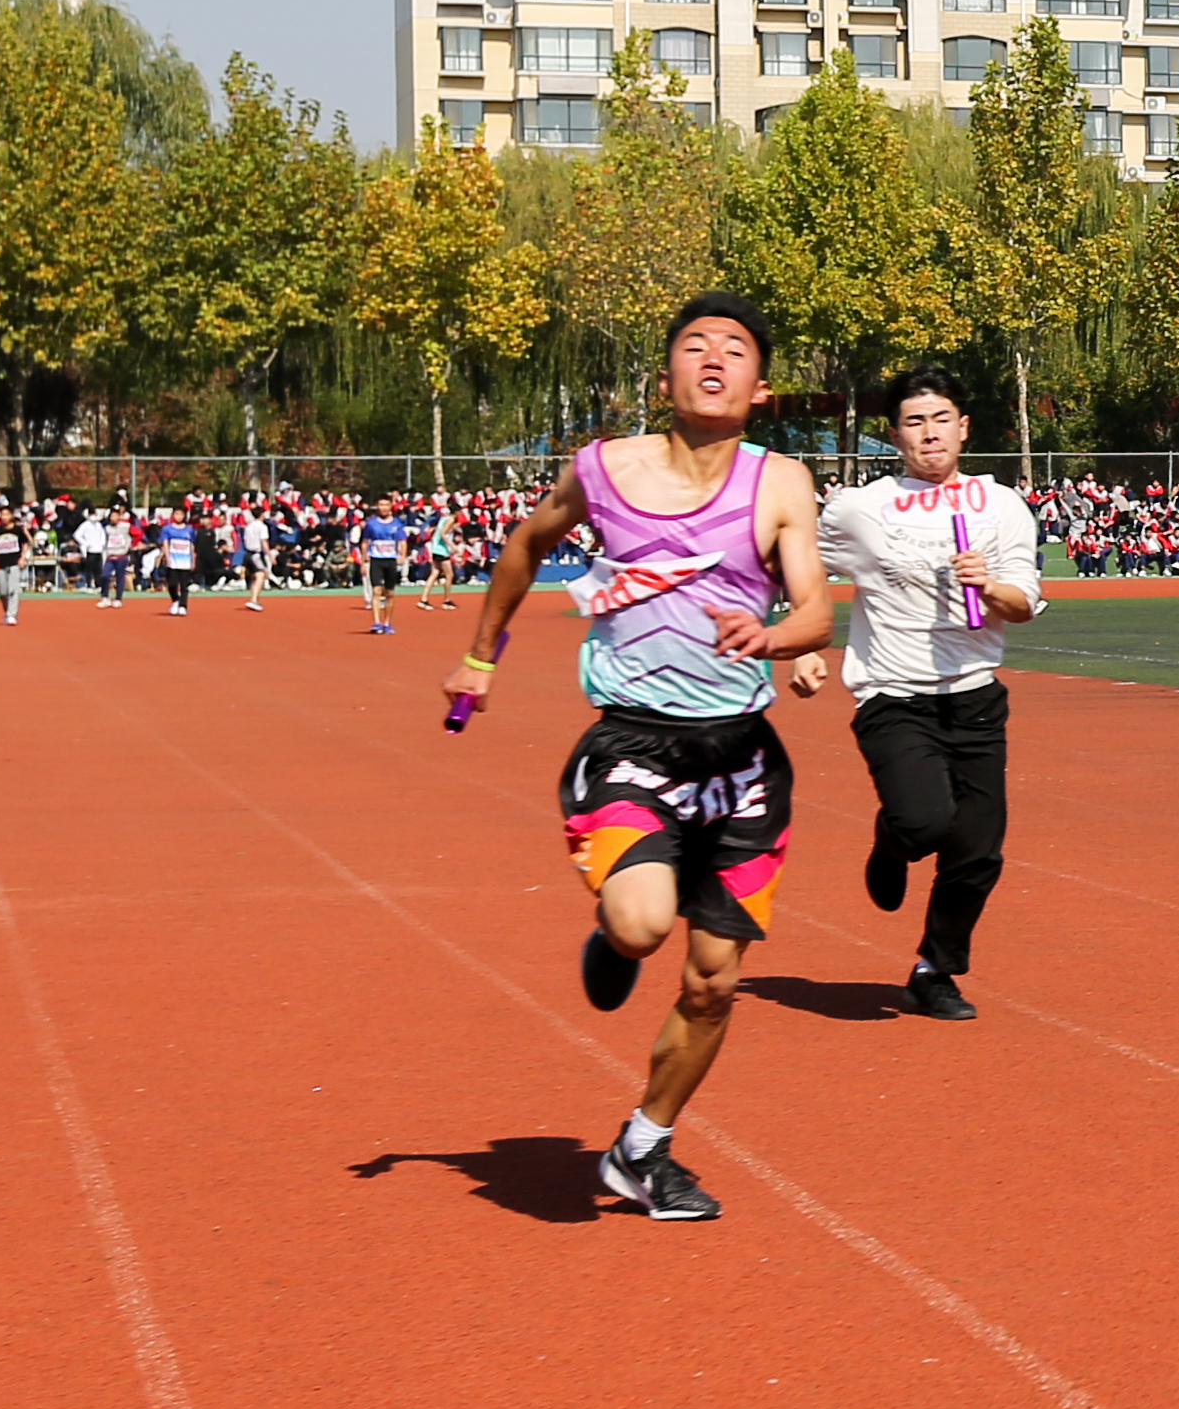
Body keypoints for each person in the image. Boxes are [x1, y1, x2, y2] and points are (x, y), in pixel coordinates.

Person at [441, 292, 833, 1223]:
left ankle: (643, 1146)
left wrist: (775, 636)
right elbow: (527, 543)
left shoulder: (781, 482)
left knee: (714, 982)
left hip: (743, 764)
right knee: (644, 923)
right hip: (633, 744)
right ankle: (614, 936)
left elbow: (816, 608)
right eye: (695, 345)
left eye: (734, 348)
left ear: (760, 386)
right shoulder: (604, 469)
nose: (714, 358)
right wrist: (479, 656)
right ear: (665, 377)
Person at [793, 363, 1042, 1020]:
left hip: (975, 696)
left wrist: (989, 586)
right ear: (896, 435)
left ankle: (935, 970)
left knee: (978, 851)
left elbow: (1023, 602)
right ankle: (893, 838)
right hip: (893, 694)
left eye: (941, 420)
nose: (929, 433)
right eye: (914, 422)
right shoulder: (860, 509)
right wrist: (804, 643)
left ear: (964, 427)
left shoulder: (1002, 506)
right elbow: (801, 566)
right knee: (924, 820)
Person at [355, 494, 407, 634]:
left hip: (391, 560)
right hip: (376, 560)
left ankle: (387, 622)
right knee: (376, 590)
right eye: (381, 505)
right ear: (377, 506)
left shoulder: (397, 524)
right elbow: (365, 542)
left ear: (391, 506)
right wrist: (363, 560)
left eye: (386, 505)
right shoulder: (371, 524)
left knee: (390, 592)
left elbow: (402, 541)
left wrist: (402, 555)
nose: (383, 508)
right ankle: (376, 622)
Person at [157, 506, 199, 617]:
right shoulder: (167, 529)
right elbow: (165, 544)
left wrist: (193, 560)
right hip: (173, 560)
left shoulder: (189, 529)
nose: (179, 517)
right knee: (172, 584)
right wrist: (167, 557)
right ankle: (175, 600)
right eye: (176, 514)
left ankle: (183, 606)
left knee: (184, 585)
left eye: (181, 514)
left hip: (185, 561)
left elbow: (192, 545)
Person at [0, 515, 29, 625]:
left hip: (14, 563)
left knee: (13, 589)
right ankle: (7, 611)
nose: (4, 517)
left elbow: (25, 544)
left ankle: (11, 614)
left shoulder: (18, 530)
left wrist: (22, 558)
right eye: (3, 514)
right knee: (3, 592)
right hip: (1, 563)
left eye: (7, 514)